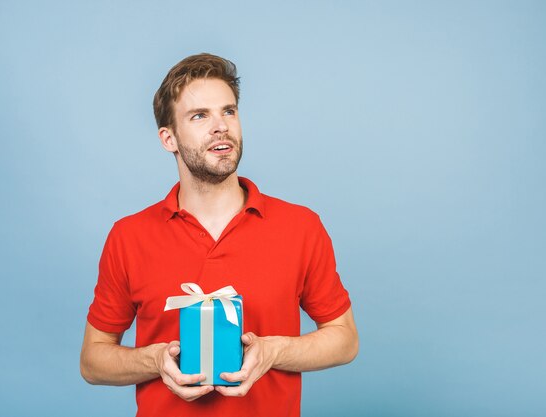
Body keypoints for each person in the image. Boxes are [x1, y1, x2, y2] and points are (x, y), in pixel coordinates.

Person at [80, 53, 358, 417]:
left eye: (228, 111)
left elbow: (345, 338)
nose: (221, 126)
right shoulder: (129, 236)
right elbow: (93, 359)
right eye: (200, 116)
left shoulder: (300, 226)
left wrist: (274, 352)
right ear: (169, 138)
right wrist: (154, 360)